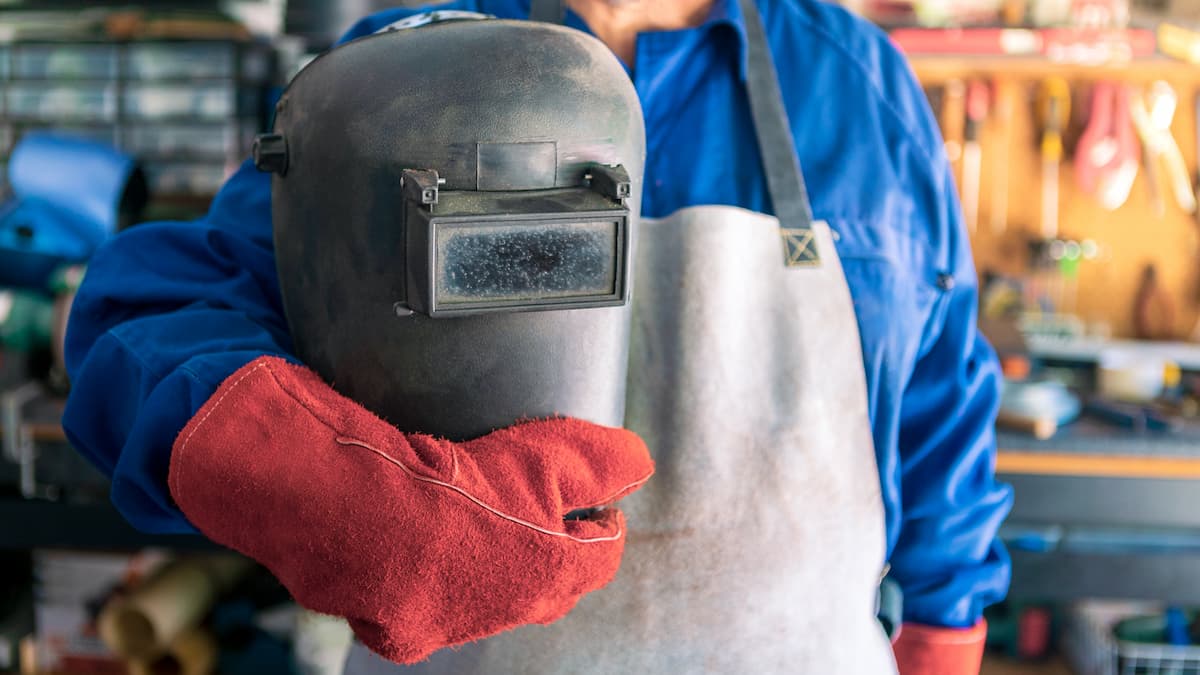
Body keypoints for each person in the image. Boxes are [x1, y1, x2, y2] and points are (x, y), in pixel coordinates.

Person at [62, 0, 1013, 672]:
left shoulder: (862, 93)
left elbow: (940, 396)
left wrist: (942, 632)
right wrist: (310, 474)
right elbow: (142, 322)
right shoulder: (391, 89)